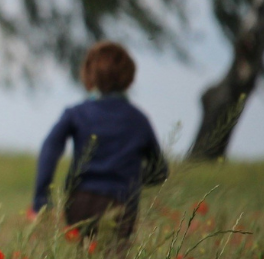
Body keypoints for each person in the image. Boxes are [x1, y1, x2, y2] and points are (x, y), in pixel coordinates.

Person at [31, 41, 168, 244]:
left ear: (88, 75)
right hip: (121, 203)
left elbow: (49, 149)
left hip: (80, 201)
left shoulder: (76, 114)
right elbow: (159, 171)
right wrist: (131, 180)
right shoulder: (139, 120)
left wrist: (41, 199)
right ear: (128, 78)